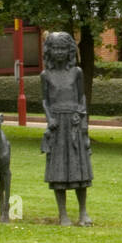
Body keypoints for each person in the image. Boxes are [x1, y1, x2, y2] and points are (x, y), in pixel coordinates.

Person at [40, 31, 93, 226]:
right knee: (59, 171)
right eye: (55, 48)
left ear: (70, 50)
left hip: (74, 123)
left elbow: (82, 98)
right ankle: (62, 214)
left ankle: (83, 212)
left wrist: (82, 119)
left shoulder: (77, 73)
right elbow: (45, 100)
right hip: (57, 125)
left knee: (80, 171)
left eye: (63, 48)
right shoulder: (45, 75)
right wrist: (49, 118)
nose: (59, 52)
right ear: (49, 51)